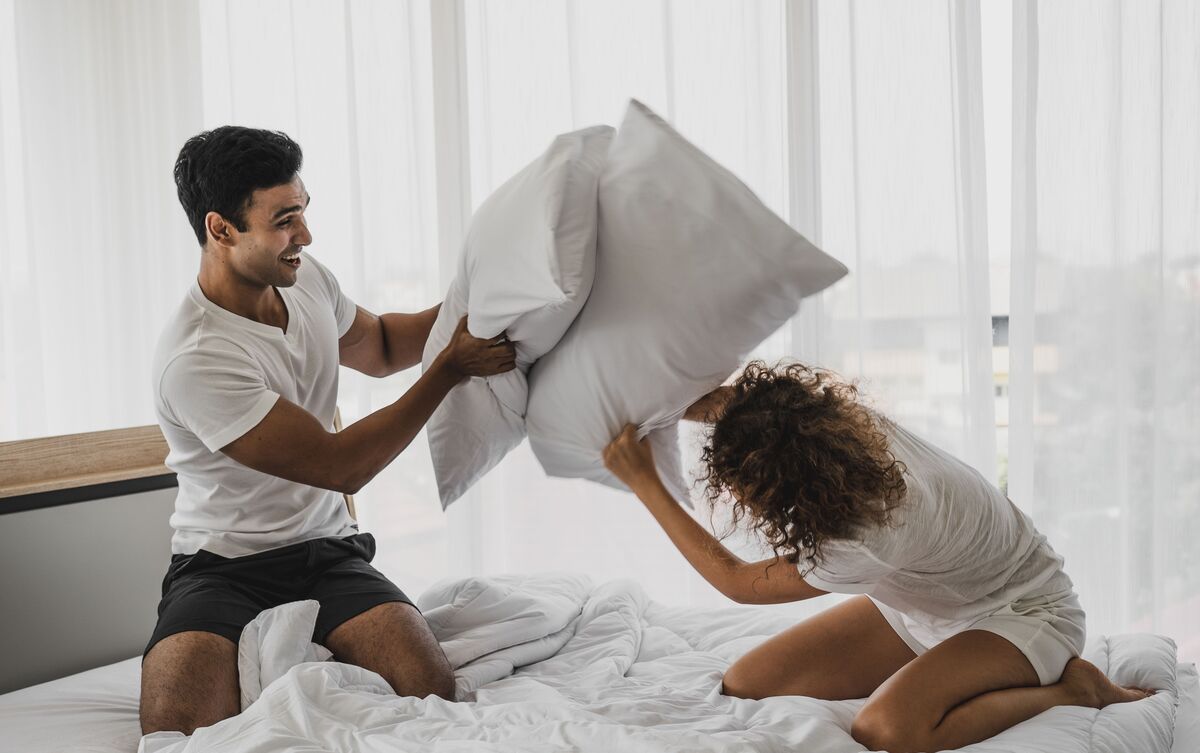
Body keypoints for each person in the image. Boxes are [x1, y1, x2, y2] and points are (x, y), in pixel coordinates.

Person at [141, 126, 515, 735]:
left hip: (326, 552)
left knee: (433, 693)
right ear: (221, 229)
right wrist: (449, 369)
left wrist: (479, 303)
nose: (305, 236)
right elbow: (340, 466)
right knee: (177, 734)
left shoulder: (304, 275)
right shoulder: (198, 358)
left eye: (304, 211)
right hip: (221, 565)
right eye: (285, 220)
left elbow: (386, 345)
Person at [602, 361, 1150, 753]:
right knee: (748, 681)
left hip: (1023, 615)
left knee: (887, 730)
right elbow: (745, 414)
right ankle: (949, 670)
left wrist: (643, 481)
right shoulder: (838, 429)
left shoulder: (864, 537)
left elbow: (739, 582)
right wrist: (641, 404)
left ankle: (1072, 691)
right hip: (930, 605)